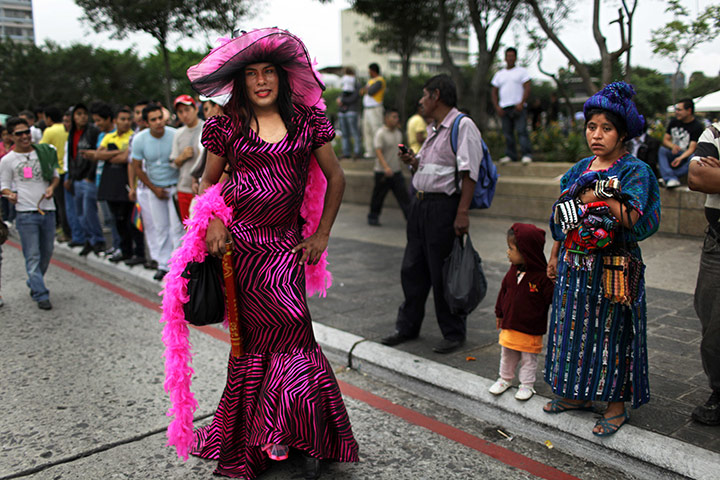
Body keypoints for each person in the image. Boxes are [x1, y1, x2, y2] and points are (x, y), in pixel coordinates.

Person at [176, 27, 359, 479]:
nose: (261, 80)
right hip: (242, 251)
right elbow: (209, 183)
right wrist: (214, 219)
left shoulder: (307, 120)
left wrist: (322, 235)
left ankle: (296, 431)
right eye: (253, 73)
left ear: (282, 77)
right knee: (255, 345)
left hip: (285, 248)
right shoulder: (227, 124)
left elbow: (336, 178)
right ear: (240, 82)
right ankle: (265, 436)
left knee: (296, 333)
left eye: (269, 72)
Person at [543, 82, 661, 437]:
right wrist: (554, 251)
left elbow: (632, 218)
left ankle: (615, 405)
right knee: (573, 330)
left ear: (622, 133)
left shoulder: (634, 171)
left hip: (612, 268)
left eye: (606, 128)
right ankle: (576, 396)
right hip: (574, 266)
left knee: (613, 335)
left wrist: (599, 194)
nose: (596, 135)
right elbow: (563, 217)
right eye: (591, 127)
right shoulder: (579, 167)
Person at [380, 74, 483, 354]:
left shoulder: (462, 126)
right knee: (412, 268)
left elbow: (469, 172)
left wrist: (462, 213)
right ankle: (407, 327)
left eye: (424, 95)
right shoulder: (435, 129)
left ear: (436, 95)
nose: (420, 101)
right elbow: (429, 169)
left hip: (443, 208)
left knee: (441, 272)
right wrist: (413, 163)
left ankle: (453, 332)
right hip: (420, 206)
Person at [0, 117, 59, 310]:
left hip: (47, 210)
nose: (25, 137)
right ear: (10, 136)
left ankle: (34, 281)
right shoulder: (7, 160)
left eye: (27, 132)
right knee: (32, 255)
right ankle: (41, 293)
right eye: (19, 134)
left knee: (47, 251)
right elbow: (3, 186)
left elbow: (56, 176)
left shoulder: (44, 152)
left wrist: (51, 187)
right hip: (25, 213)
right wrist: (10, 194)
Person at [490, 223, 554, 401]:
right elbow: (503, 293)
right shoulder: (512, 272)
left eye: (511, 248)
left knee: (528, 359)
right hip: (510, 325)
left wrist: (555, 280)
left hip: (530, 328)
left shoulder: (541, 278)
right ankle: (505, 378)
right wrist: (499, 313)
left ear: (526, 251)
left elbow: (552, 298)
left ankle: (527, 384)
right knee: (507, 354)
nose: (507, 252)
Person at [687, 124, 720, 425]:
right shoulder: (715, 133)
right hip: (717, 244)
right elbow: (697, 178)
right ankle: (719, 394)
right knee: (712, 325)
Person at [131, 104, 181, 280]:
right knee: (160, 227)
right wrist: (154, 189)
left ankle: (178, 267)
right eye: (154, 119)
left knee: (177, 228)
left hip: (175, 187)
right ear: (146, 122)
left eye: (160, 117)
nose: (159, 122)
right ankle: (162, 265)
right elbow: (137, 167)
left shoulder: (175, 135)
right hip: (155, 188)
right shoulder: (139, 139)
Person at [96, 107, 144, 265]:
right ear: (115, 120)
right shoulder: (109, 136)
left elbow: (126, 158)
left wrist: (111, 155)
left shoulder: (134, 137)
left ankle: (139, 253)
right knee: (117, 220)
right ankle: (124, 250)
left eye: (128, 119)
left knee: (132, 221)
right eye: (122, 119)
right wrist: (116, 154)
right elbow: (98, 154)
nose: (126, 122)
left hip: (127, 184)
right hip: (111, 184)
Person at [66, 103, 104, 255]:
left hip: (88, 178)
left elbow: (96, 155)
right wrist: (71, 177)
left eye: (84, 114)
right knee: (80, 212)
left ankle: (98, 240)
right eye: (78, 114)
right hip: (76, 177)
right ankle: (88, 239)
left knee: (89, 211)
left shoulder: (92, 131)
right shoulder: (73, 133)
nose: (82, 117)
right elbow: (71, 155)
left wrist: (90, 176)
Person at [367, 108, 410, 225]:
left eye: (397, 117)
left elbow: (400, 147)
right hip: (382, 172)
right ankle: (373, 217)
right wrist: (386, 167)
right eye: (394, 117)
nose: (396, 120)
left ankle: (410, 218)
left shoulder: (398, 133)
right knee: (378, 196)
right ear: (386, 119)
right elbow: (378, 151)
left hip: (396, 171)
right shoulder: (380, 133)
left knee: (404, 197)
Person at [491, 47, 532, 164]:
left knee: (521, 131)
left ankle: (526, 154)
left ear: (515, 57)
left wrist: (522, 102)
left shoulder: (522, 72)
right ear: (505, 58)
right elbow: (493, 91)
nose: (510, 58)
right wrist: (497, 106)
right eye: (508, 56)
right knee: (507, 133)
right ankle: (511, 155)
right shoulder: (499, 74)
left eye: (512, 56)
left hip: (518, 106)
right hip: (504, 107)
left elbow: (527, 87)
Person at [169, 94, 204, 222]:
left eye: (187, 110)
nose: (184, 115)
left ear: (196, 109)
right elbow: (174, 162)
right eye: (180, 112)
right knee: (188, 230)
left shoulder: (206, 127)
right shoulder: (178, 133)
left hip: (203, 188)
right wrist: (182, 157)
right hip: (184, 187)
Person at [657, 98, 704, 188]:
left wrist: (680, 158)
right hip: (674, 153)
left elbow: (692, 148)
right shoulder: (674, 121)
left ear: (689, 111)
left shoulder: (697, 126)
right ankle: (670, 177)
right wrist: (673, 146)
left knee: (694, 158)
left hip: (686, 156)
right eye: (676, 110)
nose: (676, 112)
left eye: (679, 110)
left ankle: (669, 177)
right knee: (662, 150)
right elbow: (665, 140)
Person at [40, 107, 70, 243]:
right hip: (69, 170)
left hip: (57, 171)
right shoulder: (67, 129)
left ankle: (65, 231)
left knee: (61, 205)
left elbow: (41, 150)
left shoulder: (49, 131)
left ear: (49, 118)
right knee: (69, 205)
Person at [360, 63, 386, 158]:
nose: (368, 72)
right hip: (367, 109)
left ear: (373, 71)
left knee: (376, 130)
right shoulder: (371, 81)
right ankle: (369, 152)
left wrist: (366, 89)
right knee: (367, 131)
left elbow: (371, 91)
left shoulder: (380, 80)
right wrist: (366, 89)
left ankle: (378, 152)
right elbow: (362, 91)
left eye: (370, 70)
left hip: (375, 108)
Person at [337, 66, 362, 160]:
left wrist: (343, 100)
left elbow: (355, 97)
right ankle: (346, 152)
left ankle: (357, 151)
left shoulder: (356, 83)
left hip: (351, 110)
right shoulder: (344, 83)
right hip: (343, 111)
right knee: (345, 133)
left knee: (354, 132)